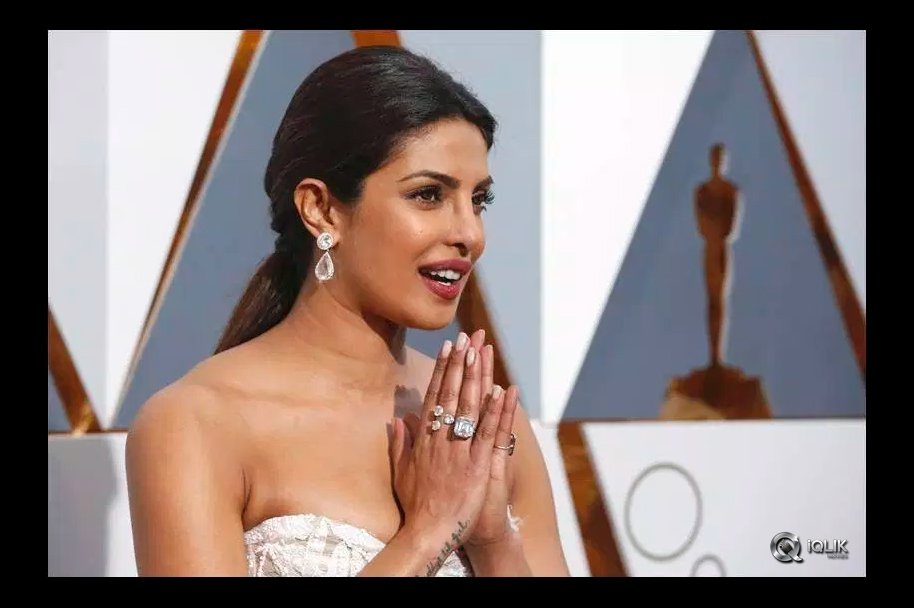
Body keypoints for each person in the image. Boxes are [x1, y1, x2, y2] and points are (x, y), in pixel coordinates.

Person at [125, 45, 571, 577]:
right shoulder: (197, 424)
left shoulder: (483, 422)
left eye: (478, 200)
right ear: (320, 208)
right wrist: (429, 531)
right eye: (428, 195)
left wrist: (492, 538)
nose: (469, 234)